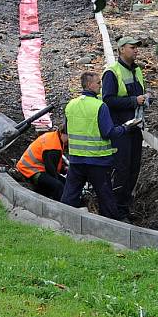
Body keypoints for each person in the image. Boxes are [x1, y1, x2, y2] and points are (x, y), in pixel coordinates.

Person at [61, 71, 135, 220]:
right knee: (106, 199)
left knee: (69, 196)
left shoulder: (71, 105)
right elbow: (109, 132)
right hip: (97, 161)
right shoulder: (100, 106)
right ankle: (113, 228)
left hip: (76, 160)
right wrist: (125, 128)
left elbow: (67, 130)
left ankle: (62, 221)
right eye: (98, 83)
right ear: (89, 85)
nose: (101, 86)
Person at [102, 36, 146, 219]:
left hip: (135, 128)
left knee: (134, 169)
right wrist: (133, 101)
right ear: (121, 49)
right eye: (132, 47)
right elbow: (108, 100)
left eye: (137, 47)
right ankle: (116, 210)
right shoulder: (112, 72)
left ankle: (124, 206)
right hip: (121, 130)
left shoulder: (137, 70)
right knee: (122, 170)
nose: (136, 50)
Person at [16, 124, 68, 200]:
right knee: (58, 186)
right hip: (30, 170)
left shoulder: (55, 138)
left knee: (65, 183)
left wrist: (63, 169)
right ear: (63, 133)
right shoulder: (53, 147)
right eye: (69, 137)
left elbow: (54, 163)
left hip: (36, 167)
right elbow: (51, 170)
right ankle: (59, 206)